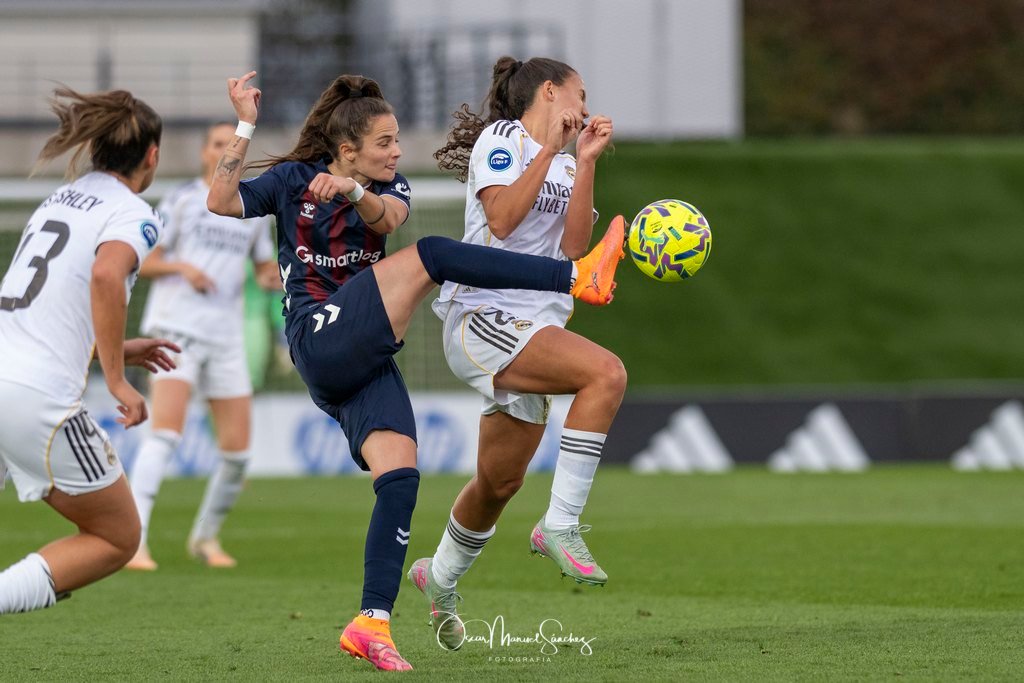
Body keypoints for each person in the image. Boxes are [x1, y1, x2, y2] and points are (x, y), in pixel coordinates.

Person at [206, 71, 624, 671]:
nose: (397, 152)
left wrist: (352, 189)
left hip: (363, 358)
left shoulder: (383, 185)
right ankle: (575, 279)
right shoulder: (293, 179)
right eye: (385, 142)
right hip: (317, 333)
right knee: (432, 256)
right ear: (347, 148)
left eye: (397, 139)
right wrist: (246, 123)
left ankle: (370, 623)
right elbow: (220, 201)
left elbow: (387, 219)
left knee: (401, 479)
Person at [408, 56, 626, 650]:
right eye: (580, 94)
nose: (585, 107)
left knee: (498, 482)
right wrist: (550, 151)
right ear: (550, 91)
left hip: (534, 323)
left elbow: (574, 251)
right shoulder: (502, 138)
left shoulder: (565, 160)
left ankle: (439, 578)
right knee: (606, 374)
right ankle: (560, 524)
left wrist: (583, 162)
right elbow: (501, 220)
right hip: (483, 315)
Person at [0, 87, 179, 614]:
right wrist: (118, 379)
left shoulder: (60, 198)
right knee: (117, 537)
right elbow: (106, 275)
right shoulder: (133, 212)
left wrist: (114, 349)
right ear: (152, 156)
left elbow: (46, 314)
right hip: (35, 396)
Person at [126, 122, 278, 571]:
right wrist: (183, 269)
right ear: (204, 153)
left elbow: (264, 268)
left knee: (237, 455)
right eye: (217, 143)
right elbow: (144, 260)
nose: (226, 149)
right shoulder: (182, 200)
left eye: (232, 143)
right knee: (165, 435)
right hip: (176, 330)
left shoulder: (252, 209)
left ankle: (205, 538)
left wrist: (280, 277)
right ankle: (134, 540)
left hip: (225, 336)